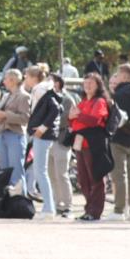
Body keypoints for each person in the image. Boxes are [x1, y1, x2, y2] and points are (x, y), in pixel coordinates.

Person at [69, 73, 112, 221]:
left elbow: (95, 121)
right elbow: (72, 121)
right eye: (85, 83)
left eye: (91, 83)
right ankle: (88, 209)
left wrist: (78, 115)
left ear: (98, 85)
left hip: (93, 144)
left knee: (96, 178)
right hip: (81, 144)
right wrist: (74, 117)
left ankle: (95, 211)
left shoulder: (99, 101)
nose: (87, 86)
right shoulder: (83, 101)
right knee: (83, 179)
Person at [105, 64, 130, 221]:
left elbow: (113, 115)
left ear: (125, 76)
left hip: (118, 136)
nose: (116, 77)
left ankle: (119, 209)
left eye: (118, 74)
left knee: (119, 175)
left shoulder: (119, 94)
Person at [25, 66, 62, 220]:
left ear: (34, 77)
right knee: (40, 170)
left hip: (43, 135)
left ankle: (48, 208)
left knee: (41, 171)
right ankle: (48, 206)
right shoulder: (43, 89)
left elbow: (55, 109)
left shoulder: (41, 90)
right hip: (43, 134)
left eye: (27, 76)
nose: (25, 79)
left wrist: (43, 127)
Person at [0, 69, 30, 194]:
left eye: (5, 79)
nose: (3, 81)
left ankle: (20, 201)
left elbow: (25, 118)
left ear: (13, 80)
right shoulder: (6, 95)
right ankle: (7, 202)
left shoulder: (24, 96)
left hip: (15, 135)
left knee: (16, 171)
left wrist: (5, 115)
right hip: (3, 134)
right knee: (5, 171)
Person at [48, 74, 76, 217]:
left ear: (58, 83)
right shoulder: (46, 97)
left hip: (61, 140)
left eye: (50, 81)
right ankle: (57, 204)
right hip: (48, 140)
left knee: (62, 174)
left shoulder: (67, 99)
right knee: (51, 175)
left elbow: (68, 118)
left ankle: (68, 205)